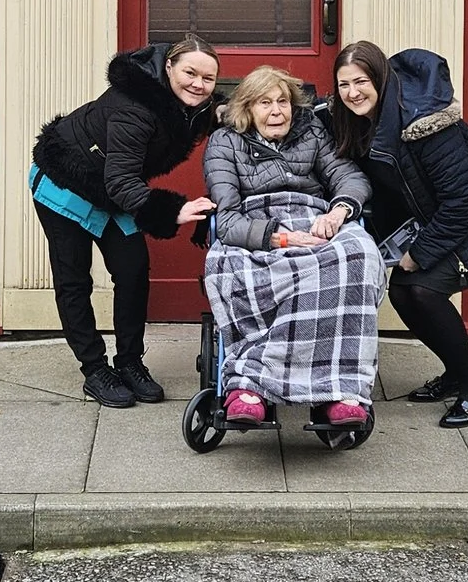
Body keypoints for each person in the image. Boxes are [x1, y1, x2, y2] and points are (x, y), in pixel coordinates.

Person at [328, 42, 468, 428]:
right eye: (343, 84)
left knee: (422, 288)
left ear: (381, 80)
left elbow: (462, 201)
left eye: (361, 81)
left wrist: (416, 254)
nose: (353, 93)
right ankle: (454, 374)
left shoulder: (424, 123)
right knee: (402, 291)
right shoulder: (358, 117)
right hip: (443, 213)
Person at [30, 37, 220, 408]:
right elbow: (120, 182)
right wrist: (171, 212)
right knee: (74, 278)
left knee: (132, 269)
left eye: (208, 78)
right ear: (168, 67)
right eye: (190, 73)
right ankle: (94, 369)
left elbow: (237, 110)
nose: (198, 84)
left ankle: (130, 362)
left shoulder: (192, 106)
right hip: (64, 181)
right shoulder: (135, 107)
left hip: (112, 186)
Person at [201, 67, 383, 427]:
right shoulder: (224, 142)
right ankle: (249, 384)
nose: (276, 112)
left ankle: (340, 388)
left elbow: (348, 176)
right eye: (264, 103)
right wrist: (280, 237)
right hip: (258, 228)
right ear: (247, 109)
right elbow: (228, 222)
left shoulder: (311, 131)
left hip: (315, 219)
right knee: (233, 267)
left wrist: (339, 210)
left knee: (359, 255)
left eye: (282, 101)